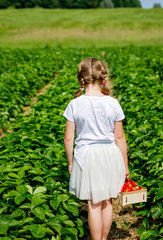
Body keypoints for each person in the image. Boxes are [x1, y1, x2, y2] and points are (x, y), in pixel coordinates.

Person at [63, 57, 129, 240]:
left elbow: (68, 138)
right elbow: (120, 137)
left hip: (87, 156)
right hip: (109, 154)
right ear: (103, 78)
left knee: (93, 203)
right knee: (108, 200)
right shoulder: (113, 103)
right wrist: (125, 165)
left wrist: (70, 162)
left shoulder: (75, 104)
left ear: (81, 79)